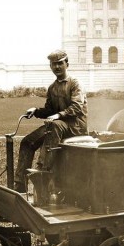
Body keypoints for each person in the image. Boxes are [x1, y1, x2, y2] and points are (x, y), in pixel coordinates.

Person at [14, 50, 88, 193]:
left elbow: (77, 107)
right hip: (58, 126)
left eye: (60, 63)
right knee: (27, 142)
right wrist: (35, 111)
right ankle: (20, 185)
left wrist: (58, 115)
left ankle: (42, 171)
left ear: (67, 64)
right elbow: (49, 110)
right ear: (50, 67)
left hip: (75, 127)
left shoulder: (75, 83)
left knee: (53, 125)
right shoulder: (52, 88)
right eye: (54, 64)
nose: (57, 67)